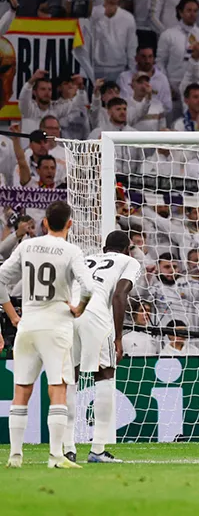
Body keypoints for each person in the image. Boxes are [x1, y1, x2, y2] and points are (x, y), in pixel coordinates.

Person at [1, 201, 100, 469]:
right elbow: (88, 287)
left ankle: (15, 456)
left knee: (21, 391)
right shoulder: (71, 251)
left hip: (28, 325)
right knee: (57, 389)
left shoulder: (26, 246)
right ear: (70, 223)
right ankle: (57, 456)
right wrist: (78, 309)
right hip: (56, 325)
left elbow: (0, 278)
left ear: (44, 222)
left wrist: (12, 316)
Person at [64, 230, 140, 464]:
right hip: (94, 315)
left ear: (105, 248)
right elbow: (119, 295)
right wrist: (118, 338)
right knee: (105, 375)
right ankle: (97, 450)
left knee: (69, 379)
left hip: (67, 314)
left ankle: (67, 448)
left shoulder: (86, 259)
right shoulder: (130, 261)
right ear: (128, 248)